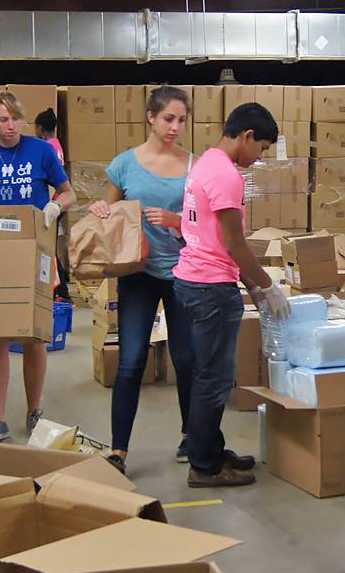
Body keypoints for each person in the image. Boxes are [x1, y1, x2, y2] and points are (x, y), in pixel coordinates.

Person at [172, 102, 290, 488]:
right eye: (263, 148)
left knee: (209, 373)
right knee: (214, 379)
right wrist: (266, 285)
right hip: (210, 286)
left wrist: (252, 284)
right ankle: (204, 466)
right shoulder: (227, 175)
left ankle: (210, 448)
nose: (260, 158)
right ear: (247, 136)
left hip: (191, 279)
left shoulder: (205, 162)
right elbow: (234, 243)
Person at [0, 91, 75, 443]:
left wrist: (55, 206)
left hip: (35, 254)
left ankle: (34, 410)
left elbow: (68, 193)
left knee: (35, 337)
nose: (10, 127)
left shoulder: (41, 151)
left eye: (15, 119)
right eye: (2, 120)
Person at [88, 86, 195, 475]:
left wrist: (177, 221)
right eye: (168, 118)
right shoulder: (124, 165)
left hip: (184, 273)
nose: (175, 127)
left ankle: (191, 434)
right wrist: (101, 208)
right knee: (131, 359)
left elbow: (207, 225)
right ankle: (119, 450)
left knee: (187, 359)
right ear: (151, 117)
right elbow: (112, 215)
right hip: (138, 274)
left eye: (182, 120)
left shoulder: (194, 166)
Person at [34, 107, 71, 302]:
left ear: (39, 128)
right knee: (50, 248)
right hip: (58, 202)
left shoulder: (47, 148)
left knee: (47, 249)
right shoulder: (57, 144)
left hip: (53, 203)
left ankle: (61, 290)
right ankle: (60, 287)